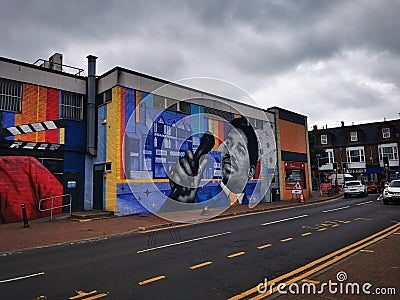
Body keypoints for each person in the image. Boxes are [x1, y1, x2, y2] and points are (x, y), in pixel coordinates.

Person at [164, 116, 259, 210]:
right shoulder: (199, 202)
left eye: (240, 150)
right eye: (228, 144)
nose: (229, 151)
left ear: (251, 171)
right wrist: (179, 203)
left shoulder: (251, 206)